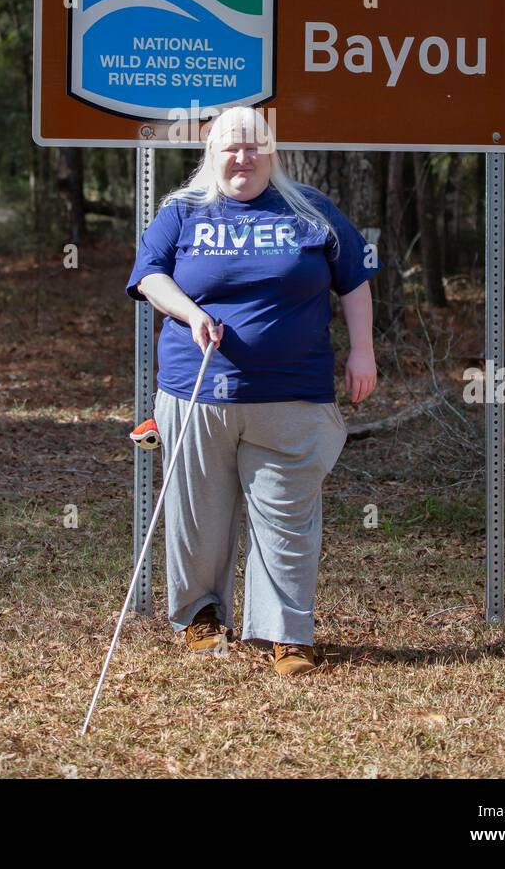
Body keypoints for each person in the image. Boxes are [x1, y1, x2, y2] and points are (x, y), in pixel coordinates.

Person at [125, 105, 380, 676]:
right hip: (196, 393)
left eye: (254, 145)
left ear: (273, 152)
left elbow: (356, 279)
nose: (243, 157)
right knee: (199, 514)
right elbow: (149, 276)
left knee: (287, 514)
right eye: (230, 147)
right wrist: (190, 313)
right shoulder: (182, 210)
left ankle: (286, 634)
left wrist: (362, 352)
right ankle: (201, 617)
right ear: (210, 153)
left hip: (292, 396)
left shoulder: (310, 209)